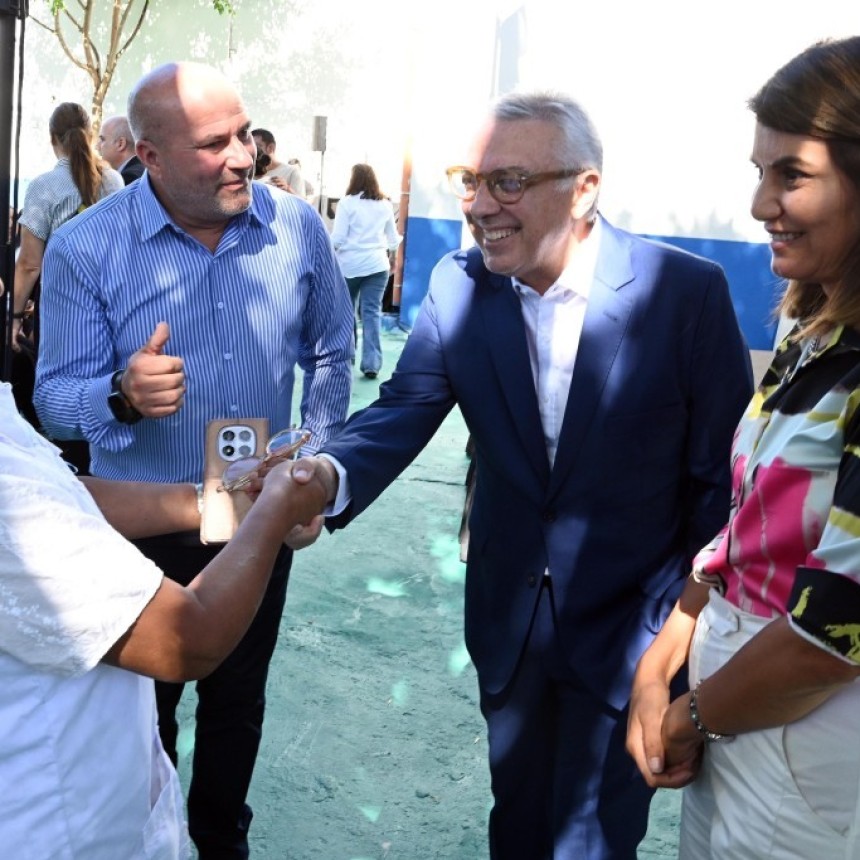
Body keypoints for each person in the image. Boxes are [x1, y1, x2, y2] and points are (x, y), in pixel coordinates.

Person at [290, 91, 753, 858]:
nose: (479, 206)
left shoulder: (684, 294)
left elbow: (721, 489)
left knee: (592, 841)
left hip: (633, 635)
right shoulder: (459, 285)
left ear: (584, 189)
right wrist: (324, 477)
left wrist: (679, 637)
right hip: (508, 626)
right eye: (470, 181)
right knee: (516, 825)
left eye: (507, 182)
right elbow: (405, 406)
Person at [33, 62, 354, 859]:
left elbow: (331, 353)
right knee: (139, 712)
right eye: (216, 144)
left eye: (244, 134)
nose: (245, 156)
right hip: (132, 531)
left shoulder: (296, 227)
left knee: (238, 703)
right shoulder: (86, 247)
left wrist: (308, 469)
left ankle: (218, 841)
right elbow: (53, 400)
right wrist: (119, 394)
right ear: (149, 155)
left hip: (252, 519)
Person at [626, 36, 860, 859]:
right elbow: (749, 524)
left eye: (791, 175)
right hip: (739, 718)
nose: (761, 204)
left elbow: (837, 630)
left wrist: (689, 715)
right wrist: (663, 659)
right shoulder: (816, 331)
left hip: (807, 747)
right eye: (760, 172)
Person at [0, 378, 331, 859]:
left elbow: (61, 494)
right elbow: (189, 639)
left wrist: (211, 501)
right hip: (60, 827)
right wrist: (278, 508)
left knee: (234, 708)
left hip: (89, 797)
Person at [10, 102, 123, 473]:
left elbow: (29, 264)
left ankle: (71, 477)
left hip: (60, 308)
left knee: (61, 394)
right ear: (90, 135)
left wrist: (14, 317)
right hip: (113, 301)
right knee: (106, 388)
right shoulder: (114, 181)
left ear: (52, 139)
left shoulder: (44, 187)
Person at [331, 163, 401, 379]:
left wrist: (327, 254)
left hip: (349, 266)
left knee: (346, 311)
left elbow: (338, 238)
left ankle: (347, 357)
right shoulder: (385, 204)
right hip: (377, 265)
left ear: (353, 179)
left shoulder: (347, 203)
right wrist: (393, 258)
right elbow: (393, 238)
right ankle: (372, 364)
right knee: (371, 312)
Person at [251, 127, 303, 194]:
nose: (252, 151)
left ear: (271, 148)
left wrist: (287, 189)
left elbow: (301, 200)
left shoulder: (292, 172)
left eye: (257, 147)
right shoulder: (248, 173)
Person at [97, 114, 146, 184]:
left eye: (102, 139)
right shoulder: (143, 170)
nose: (97, 146)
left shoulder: (128, 178)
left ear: (120, 144)